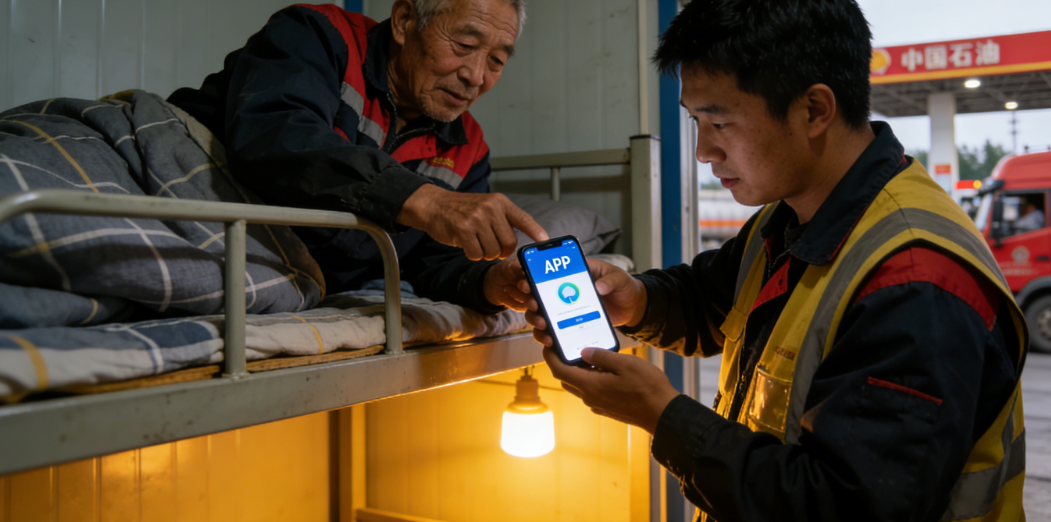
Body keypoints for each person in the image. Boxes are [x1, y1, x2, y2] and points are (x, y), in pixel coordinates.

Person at [517, 1, 1029, 521]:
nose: (703, 151)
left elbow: (843, 507)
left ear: (814, 110)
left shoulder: (916, 282)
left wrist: (664, 415)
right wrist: (639, 299)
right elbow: (711, 300)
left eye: (719, 121)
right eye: (695, 120)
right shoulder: (789, 217)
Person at [168, 0, 544, 313]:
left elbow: (435, 262)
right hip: (185, 203)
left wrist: (489, 283)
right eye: (463, 44)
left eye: (496, 61)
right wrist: (424, 200)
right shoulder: (318, 35)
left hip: (295, 278)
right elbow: (274, 132)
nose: (476, 76)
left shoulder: (468, 147)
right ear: (404, 21)